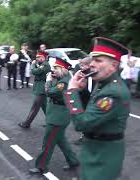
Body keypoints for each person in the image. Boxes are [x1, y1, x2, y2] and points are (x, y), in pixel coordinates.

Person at [66, 37, 131, 180]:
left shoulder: (113, 92)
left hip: (104, 157)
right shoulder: (102, 82)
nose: (91, 64)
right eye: (92, 60)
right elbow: (91, 110)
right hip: (94, 150)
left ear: (114, 66)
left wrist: (72, 91)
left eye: (98, 60)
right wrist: (81, 90)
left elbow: (82, 123)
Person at [29, 57, 79, 174]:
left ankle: (41, 166)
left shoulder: (64, 82)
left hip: (58, 117)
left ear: (63, 69)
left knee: (48, 143)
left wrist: (48, 81)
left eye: (56, 68)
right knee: (60, 140)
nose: (53, 70)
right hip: (57, 113)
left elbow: (49, 92)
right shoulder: (61, 79)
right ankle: (73, 160)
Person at [18, 51, 51, 128]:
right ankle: (50, 122)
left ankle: (27, 123)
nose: (36, 59)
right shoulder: (42, 64)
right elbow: (37, 70)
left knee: (35, 107)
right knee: (45, 107)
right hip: (40, 87)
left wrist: (32, 64)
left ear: (43, 58)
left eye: (38, 57)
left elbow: (35, 72)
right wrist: (35, 65)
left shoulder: (45, 65)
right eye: (36, 57)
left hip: (41, 88)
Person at [72, 57, 95, 145]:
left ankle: (87, 137)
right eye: (80, 65)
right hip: (85, 100)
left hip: (91, 100)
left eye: (83, 65)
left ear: (89, 65)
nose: (81, 67)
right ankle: (85, 136)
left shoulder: (93, 75)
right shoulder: (83, 74)